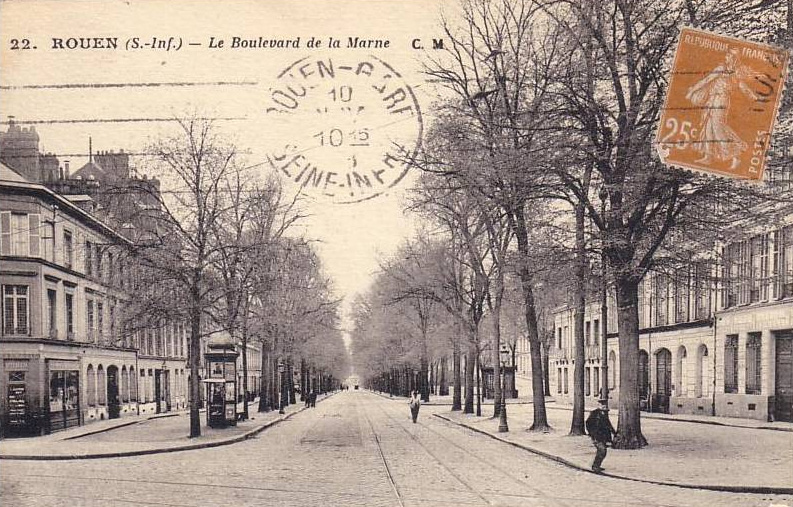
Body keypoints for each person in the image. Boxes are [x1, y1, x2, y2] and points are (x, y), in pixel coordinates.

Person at [586, 400, 616, 473]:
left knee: (603, 451)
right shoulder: (594, 414)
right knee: (602, 450)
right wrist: (591, 433)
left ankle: (597, 465)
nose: (604, 407)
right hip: (596, 436)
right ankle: (595, 466)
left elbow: (608, 425)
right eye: (602, 405)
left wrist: (614, 432)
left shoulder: (605, 415)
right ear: (599, 406)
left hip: (604, 436)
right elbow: (588, 423)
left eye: (605, 406)